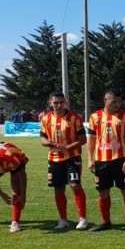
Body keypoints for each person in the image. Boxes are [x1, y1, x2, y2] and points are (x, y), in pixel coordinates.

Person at [87, 90, 125, 232]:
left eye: (119, 101)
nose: (117, 104)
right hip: (101, 161)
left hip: (121, 160)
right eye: (114, 101)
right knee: (103, 193)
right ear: (105, 100)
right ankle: (106, 222)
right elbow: (91, 140)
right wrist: (90, 159)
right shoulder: (94, 117)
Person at [40, 92, 89, 230]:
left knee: (74, 185)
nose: (59, 105)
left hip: (72, 158)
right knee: (58, 188)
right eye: (55, 103)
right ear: (50, 103)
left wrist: (67, 147)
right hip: (54, 159)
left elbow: (83, 139)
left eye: (61, 102)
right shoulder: (46, 119)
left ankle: (83, 218)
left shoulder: (74, 117)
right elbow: (42, 138)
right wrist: (49, 143)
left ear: (65, 102)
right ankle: (63, 219)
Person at [0, 142, 28, 233]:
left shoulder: (9, 156)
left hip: (16, 159)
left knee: (16, 188)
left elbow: (22, 175)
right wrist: (2, 194)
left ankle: (15, 222)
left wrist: (23, 196)